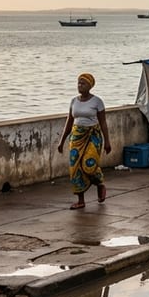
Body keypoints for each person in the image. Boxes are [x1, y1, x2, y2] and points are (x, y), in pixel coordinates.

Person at [57, 73, 111, 210]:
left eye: (83, 83)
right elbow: (69, 122)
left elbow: (103, 123)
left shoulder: (97, 102)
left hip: (93, 135)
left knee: (89, 164)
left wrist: (107, 141)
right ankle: (81, 200)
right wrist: (61, 141)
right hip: (76, 136)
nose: (80, 85)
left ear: (90, 86)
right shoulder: (74, 101)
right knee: (75, 168)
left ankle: (100, 184)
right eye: (78, 83)